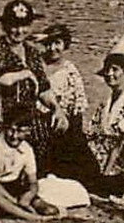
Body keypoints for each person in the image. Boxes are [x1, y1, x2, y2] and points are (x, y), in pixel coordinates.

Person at [0, 107, 56, 221]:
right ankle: (31, 217)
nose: (14, 136)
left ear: (28, 131)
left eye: (20, 132)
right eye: (11, 130)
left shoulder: (26, 149)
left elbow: (33, 182)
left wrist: (29, 194)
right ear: (5, 127)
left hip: (14, 188)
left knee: (49, 209)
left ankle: (22, 211)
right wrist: (13, 201)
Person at [32, 25, 90, 179]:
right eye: (48, 43)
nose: (52, 48)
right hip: (32, 120)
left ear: (65, 44)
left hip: (57, 124)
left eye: (57, 43)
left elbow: (77, 108)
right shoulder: (35, 64)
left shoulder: (71, 71)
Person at [86, 52, 124, 195]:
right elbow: (93, 131)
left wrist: (106, 169)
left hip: (122, 156)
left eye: (115, 70)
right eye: (107, 70)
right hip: (100, 152)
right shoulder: (106, 101)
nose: (109, 74)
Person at [0, 0, 46, 123]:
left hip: (29, 116)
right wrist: (27, 73)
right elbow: (3, 80)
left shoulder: (32, 52)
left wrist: (57, 109)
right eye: (14, 25)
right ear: (5, 26)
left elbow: (43, 87)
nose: (19, 31)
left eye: (25, 26)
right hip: (2, 118)